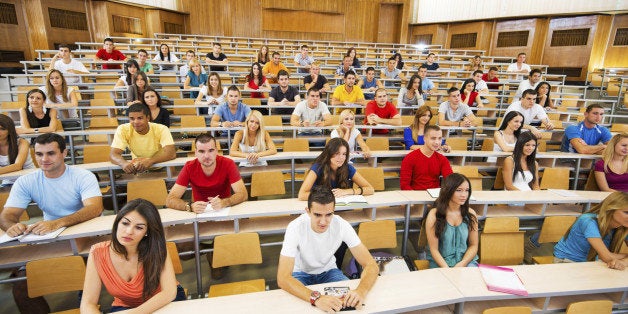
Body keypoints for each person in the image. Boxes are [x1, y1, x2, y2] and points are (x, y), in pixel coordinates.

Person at [0, 133, 103, 314]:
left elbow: (94, 208)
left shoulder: (83, 176)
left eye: (51, 153)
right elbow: (7, 215)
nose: (44, 159)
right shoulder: (27, 181)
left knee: (86, 274)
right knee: (23, 286)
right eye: (39, 154)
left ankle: (86, 302)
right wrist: (11, 227)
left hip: (85, 234)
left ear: (64, 153)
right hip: (51, 238)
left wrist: (58, 223)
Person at [278, 186, 378, 312]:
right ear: (308, 211)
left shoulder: (342, 225)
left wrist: (361, 291)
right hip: (299, 274)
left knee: (351, 306)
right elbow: (283, 278)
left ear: (334, 211)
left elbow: (371, 265)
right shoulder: (295, 227)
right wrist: (317, 298)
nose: (323, 222)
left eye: (329, 214)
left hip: (329, 272)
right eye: (317, 215)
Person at [81, 199, 186, 313]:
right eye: (125, 223)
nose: (129, 231)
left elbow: (168, 293)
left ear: (147, 231)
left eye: (139, 227)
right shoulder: (97, 252)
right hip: (125, 306)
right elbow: (88, 303)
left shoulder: (157, 248)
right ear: (117, 223)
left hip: (163, 302)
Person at [165, 133, 247, 278]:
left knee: (233, 246)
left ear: (216, 151)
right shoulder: (190, 167)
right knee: (183, 250)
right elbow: (170, 199)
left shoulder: (227, 163)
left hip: (223, 211)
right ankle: (211, 250)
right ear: (195, 152)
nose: (207, 156)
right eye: (202, 151)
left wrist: (225, 202)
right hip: (199, 213)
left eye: (210, 150)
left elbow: (242, 193)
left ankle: (214, 252)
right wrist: (189, 206)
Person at [553, 191, 628, 270]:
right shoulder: (588, 221)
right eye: (626, 212)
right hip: (566, 261)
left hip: (591, 263)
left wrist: (624, 262)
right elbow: (607, 257)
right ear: (610, 209)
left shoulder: (623, 226)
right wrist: (625, 256)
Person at [425, 173, 479, 268]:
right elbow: (434, 250)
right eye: (459, 190)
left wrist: (462, 263)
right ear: (448, 191)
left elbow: (473, 245)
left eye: (467, 190)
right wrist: (448, 269)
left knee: (471, 281)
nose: (464, 195)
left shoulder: (471, 214)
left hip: (465, 261)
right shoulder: (434, 215)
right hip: (441, 263)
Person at [298, 138, 374, 201]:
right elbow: (302, 195)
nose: (341, 158)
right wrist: (329, 196)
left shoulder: (348, 168)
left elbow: (370, 189)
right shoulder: (318, 167)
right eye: (337, 153)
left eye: (344, 154)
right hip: (322, 207)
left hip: (342, 208)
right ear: (329, 153)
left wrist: (347, 191)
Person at [110, 103, 176, 174]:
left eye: (140, 118)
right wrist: (123, 163)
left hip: (162, 166)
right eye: (132, 118)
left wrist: (150, 161)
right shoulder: (123, 129)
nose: (136, 122)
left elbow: (171, 153)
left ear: (147, 118)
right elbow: (113, 154)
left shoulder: (161, 129)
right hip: (138, 168)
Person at [400, 125, 453, 190]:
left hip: (435, 197)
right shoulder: (410, 158)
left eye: (439, 138)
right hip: (415, 196)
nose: (437, 142)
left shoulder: (442, 159)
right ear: (424, 138)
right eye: (433, 138)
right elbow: (404, 186)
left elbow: (451, 181)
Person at [0, 115, 35, 185]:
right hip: (8, 182)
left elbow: (18, 166)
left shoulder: (22, 142)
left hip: (29, 180)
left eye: (2, 129)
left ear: (10, 130)